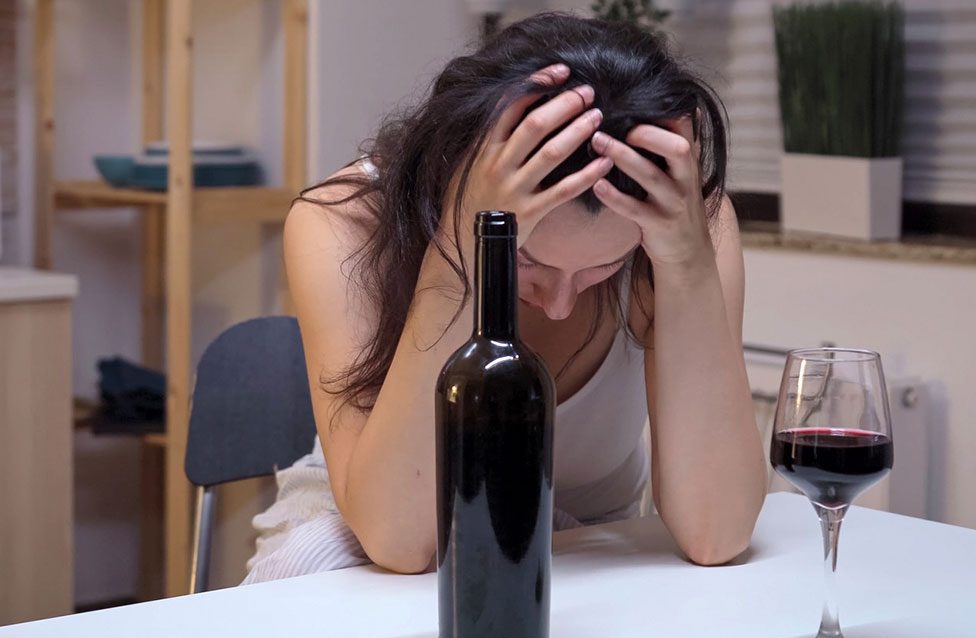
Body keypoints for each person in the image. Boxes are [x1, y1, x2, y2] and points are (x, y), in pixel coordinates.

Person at [243, 12, 766, 584]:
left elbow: (716, 535)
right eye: (528, 262)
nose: (560, 303)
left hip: (585, 542)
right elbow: (399, 541)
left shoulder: (683, 226)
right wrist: (460, 248)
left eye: (603, 268)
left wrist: (685, 265)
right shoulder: (345, 224)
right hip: (359, 529)